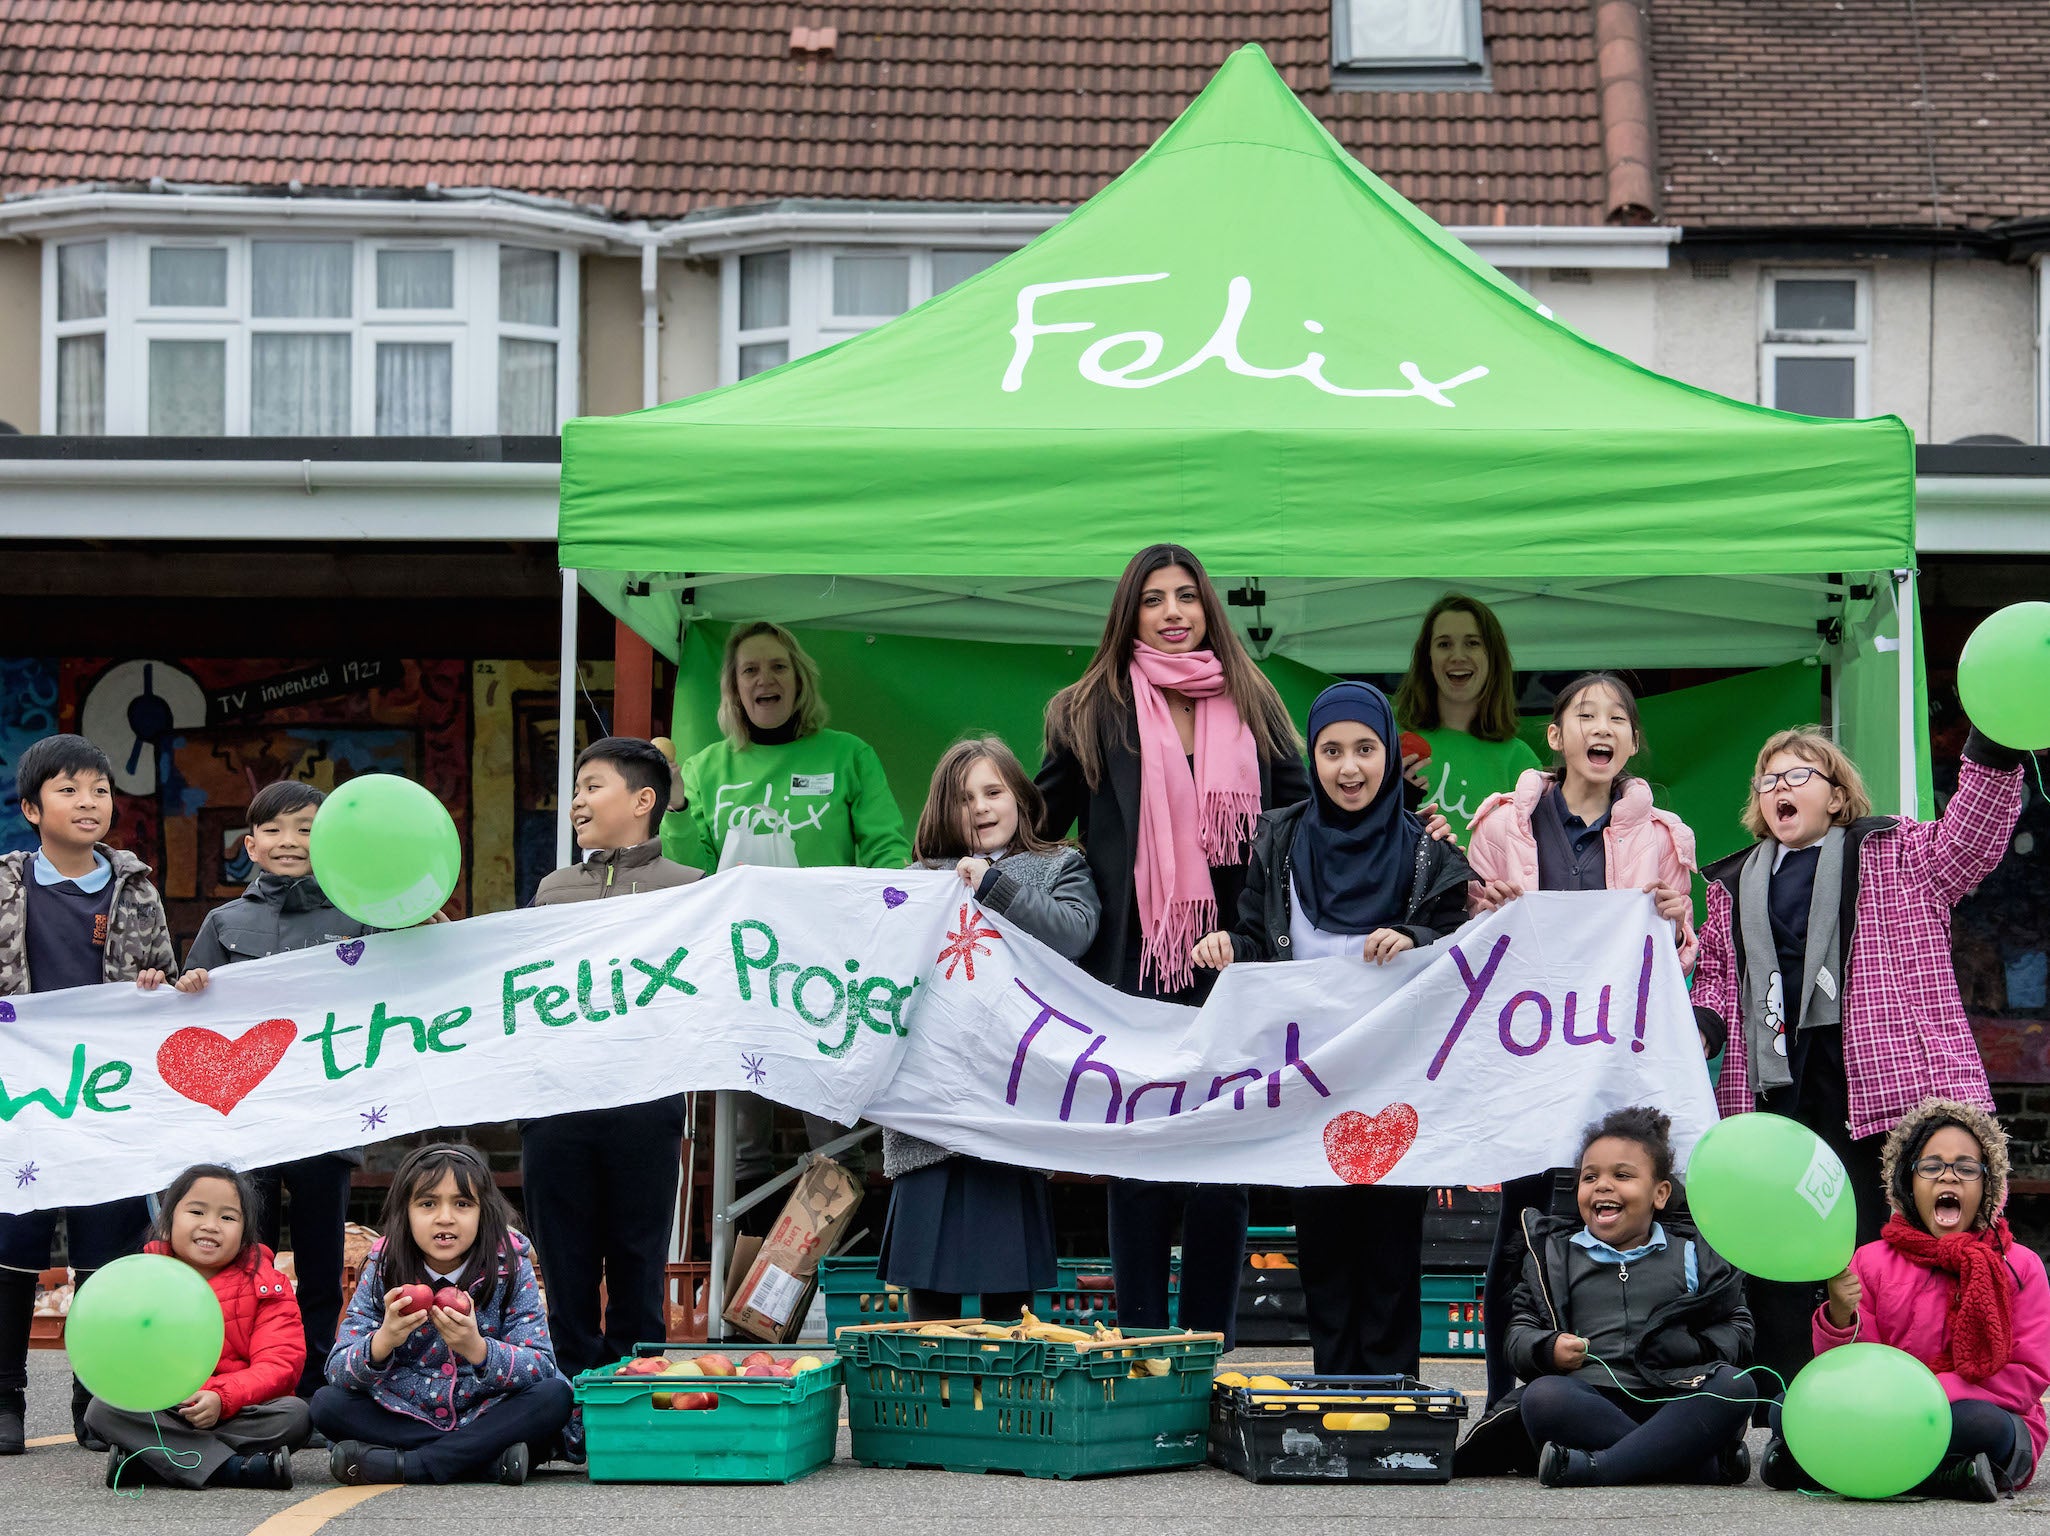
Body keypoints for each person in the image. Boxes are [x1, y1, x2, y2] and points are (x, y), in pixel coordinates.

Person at [1692, 722, 2025, 1392]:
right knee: (1782, 1245)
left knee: (1882, 1243)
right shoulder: (1730, 884)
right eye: (1769, 780)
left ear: (1837, 797)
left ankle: (1893, 1387)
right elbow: (1720, 977)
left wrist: (1994, 742)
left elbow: (1972, 837)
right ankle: (1782, 1396)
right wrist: (1703, 1022)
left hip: (1878, 1084)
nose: (1780, 788)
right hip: (1775, 1089)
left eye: (1797, 776)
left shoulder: (1897, 851)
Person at [1035, 543, 1307, 1348]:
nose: (1174, 613)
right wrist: (957, 852)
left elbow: (1310, 811)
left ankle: (1207, 1353)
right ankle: (1143, 1348)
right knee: (1141, 1166)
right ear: (1130, 615)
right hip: (1132, 972)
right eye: (1154, 599)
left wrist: (1408, 825)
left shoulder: (1253, 700)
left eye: (1187, 596)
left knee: (1223, 1175)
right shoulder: (1088, 710)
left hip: (1235, 966)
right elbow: (1038, 820)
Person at [1192, 681, 1472, 1376]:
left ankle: (1391, 1396)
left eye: (1366, 750)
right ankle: (1337, 1395)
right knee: (1320, 1241)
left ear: (1390, 756)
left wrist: (1412, 935)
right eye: (1332, 751)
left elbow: (1459, 947)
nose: (1350, 768)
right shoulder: (1281, 839)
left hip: (1395, 1085)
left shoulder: (1429, 852)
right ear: (1312, 758)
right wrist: (1228, 947)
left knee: (1390, 1245)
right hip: (1310, 1085)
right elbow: (1259, 940)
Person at [1462, 673, 1705, 1410]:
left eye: (1618, 719)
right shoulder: (1502, 825)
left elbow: (1676, 958)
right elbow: (1468, 943)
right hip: (1528, 1056)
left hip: (1613, 1060)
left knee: (1609, 1215)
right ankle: (1509, 1394)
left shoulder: (1666, 836)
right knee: (1525, 1221)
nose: (1602, 728)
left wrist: (1672, 921)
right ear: (1556, 736)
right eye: (1584, 715)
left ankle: (1613, 1385)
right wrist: (1486, 908)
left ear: (1632, 742)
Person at [0, 733, 203, 1456]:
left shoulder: (134, 884)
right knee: (13, 1246)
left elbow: (165, 977)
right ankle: (6, 1400)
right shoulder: (7, 884)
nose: (89, 803)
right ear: (31, 808)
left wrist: (155, 987)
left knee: (106, 1249)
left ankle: (97, 1399)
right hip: (22, 1101)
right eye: (68, 790)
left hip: (110, 1098)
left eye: (100, 791)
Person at [662, 621, 912, 1193]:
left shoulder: (847, 755)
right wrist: (675, 806)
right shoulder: (704, 769)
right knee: (742, 1147)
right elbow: (692, 874)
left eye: (777, 666)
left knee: (834, 1137)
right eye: (749, 669)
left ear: (799, 681)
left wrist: (896, 910)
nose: (764, 679)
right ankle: (749, 1278)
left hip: (825, 969)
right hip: (740, 975)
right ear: (732, 690)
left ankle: (839, 1280)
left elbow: (885, 851)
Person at [879, 737, 1101, 1323]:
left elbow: (1073, 935)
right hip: (932, 1104)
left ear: (1021, 798)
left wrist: (993, 886)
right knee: (929, 1290)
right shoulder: (918, 880)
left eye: (993, 792)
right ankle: (932, 1400)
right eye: (962, 798)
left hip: (1014, 1095)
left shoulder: (1061, 865)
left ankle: (1007, 1408)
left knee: (1012, 1285)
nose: (979, 807)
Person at [521, 737, 700, 1453]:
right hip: (556, 1104)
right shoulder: (552, 890)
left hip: (646, 1102)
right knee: (563, 1265)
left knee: (636, 1260)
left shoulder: (693, 887)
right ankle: (564, 1412)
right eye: (575, 789)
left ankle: (636, 1406)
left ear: (643, 800)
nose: (577, 802)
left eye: (592, 786)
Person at [184, 780, 374, 1404]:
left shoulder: (362, 917)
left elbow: (414, 988)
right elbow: (190, 1022)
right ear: (251, 845)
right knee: (244, 1260)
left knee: (321, 1265)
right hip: (246, 1118)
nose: (290, 842)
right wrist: (188, 986)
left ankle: (317, 1386)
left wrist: (430, 924)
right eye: (274, 830)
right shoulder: (224, 922)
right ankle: (241, 1380)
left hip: (327, 1114)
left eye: (307, 829)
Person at [1761, 1097, 2047, 1500]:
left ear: (1988, 1184)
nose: (1949, 1178)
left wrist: (1922, 1396)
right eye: (1931, 1167)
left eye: (1966, 1168)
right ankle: (1950, 1476)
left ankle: (1816, 1467)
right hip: (1877, 1409)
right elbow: (1849, 1370)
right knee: (1784, 1405)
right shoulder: (1871, 1259)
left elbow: (2027, 1376)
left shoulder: (2020, 1265)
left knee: (1984, 1426)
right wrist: (1840, 1319)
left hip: (1962, 1413)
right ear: (1907, 1182)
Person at [1471, 1105, 1755, 1486]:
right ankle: (1694, 1465)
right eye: (1590, 1177)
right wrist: (1548, 1347)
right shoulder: (1555, 1255)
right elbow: (1519, 1331)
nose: (1603, 1186)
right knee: (1543, 1397)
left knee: (1736, 1386)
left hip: (1672, 1396)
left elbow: (1738, 1325)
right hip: (1590, 1400)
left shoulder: (1692, 1252)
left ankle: (1599, 1466)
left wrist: (1691, 1345)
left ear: (1660, 1194)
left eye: (1622, 1175)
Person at [314, 1143, 570, 1486]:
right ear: (405, 1212)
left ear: (484, 1213)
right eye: (427, 1203)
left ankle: (412, 1465)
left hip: (487, 1411)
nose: (445, 1217)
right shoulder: (383, 1268)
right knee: (326, 1404)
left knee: (555, 1396)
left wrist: (478, 1349)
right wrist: (384, 1340)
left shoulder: (510, 1265)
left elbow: (540, 1365)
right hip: (405, 1412)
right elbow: (337, 1369)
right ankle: (484, 1462)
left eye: (462, 1204)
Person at [85, 1165, 309, 1490]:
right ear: (168, 1219)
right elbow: (125, 1359)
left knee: (295, 1415)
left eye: (228, 1217)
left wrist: (221, 1397)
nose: (210, 1225)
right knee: (102, 1410)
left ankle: (157, 1463)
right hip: (167, 1410)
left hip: (238, 1410)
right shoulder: (143, 1280)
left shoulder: (266, 1284)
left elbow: (280, 1365)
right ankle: (235, 1468)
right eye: (197, 1211)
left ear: (246, 1232)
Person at [1392, 593, 1542, 843]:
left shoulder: (1521, 762)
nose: (1458, 656)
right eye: (1444, 644)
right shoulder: (1390, 740)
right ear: (1427, 659)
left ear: (1492, 657)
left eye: (1472, 643)